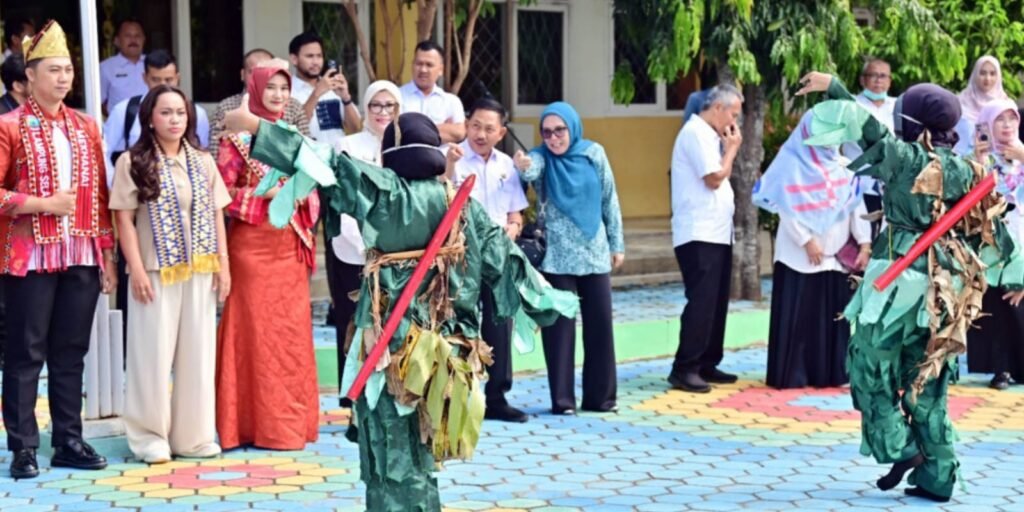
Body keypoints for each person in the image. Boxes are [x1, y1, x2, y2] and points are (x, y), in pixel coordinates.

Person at [220, 96, 579, 510]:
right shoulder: (461, 205)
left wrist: (252, 124)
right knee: (421, 448)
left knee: (390, 447)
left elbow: (318, 161)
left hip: (391, 347)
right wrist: (554, 302)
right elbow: (509, 264)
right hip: (444, 351)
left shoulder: (386, 193)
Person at [796, 71, 1024, 503]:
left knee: (870, 369)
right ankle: (938, 476)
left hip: (897, 286)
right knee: (927, 381)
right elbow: (994, 234)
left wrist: (834, 86)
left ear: (913, 127)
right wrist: (1016, 275)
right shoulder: (970, 171)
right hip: (946, 293)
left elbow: (862, 126)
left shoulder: (904, 160)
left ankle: (902, 447)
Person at [0, 20, 116, 479]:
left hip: (82, 252)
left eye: (68, 69)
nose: (64, 78)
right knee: (26, 353)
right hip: (29, 255)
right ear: (30, 75)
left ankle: (68, 438)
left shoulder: (87, 126)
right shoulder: (8, 126)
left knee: (71, 351)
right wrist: (42, 204)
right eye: (54, 69)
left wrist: (106, 255)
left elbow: (102, 197)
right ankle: (23, 446)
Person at [110, 84, 231, 463]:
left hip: (199, 269)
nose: (174, 119)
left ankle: (192, 438)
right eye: (166, 112)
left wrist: (224, 265)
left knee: (197, 354)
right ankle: (149, 438)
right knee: (151, 354)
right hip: (154, 271)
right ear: (149, 117)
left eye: (180, 112)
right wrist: (134, 269)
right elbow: (123, 219)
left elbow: (216, 214)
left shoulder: (203, 161)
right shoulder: (132, 162)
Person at [215, 67, 320, 451]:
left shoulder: (294, 137)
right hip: (252, 248)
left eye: (283, 88)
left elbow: (315, 189)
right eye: (270, 87)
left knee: (288, 335)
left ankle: (290, 425)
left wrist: (300, 195)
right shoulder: (235, 139)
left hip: (290, 245)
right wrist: (266, 198)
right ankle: (248, 425)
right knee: (254, 334)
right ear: (254, 89)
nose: (277, 95)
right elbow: (222, 193)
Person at [513, 101, 624, 415]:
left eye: (559, 130)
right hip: (558, 257)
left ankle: (602, 398)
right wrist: (523, 166)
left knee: (600, 327)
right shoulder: (541, 158)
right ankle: (562, 401)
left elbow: (609, 199)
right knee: (560, 331)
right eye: (546, 132)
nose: (553, 138)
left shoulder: (593, 154)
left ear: (572, 127)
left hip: (595, 252)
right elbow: (529, 170)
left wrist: (617, 244)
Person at [754, 103, 873, 389]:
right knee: (800, 317)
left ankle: (831, 374)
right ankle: (793, 375)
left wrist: (866, 244)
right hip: (798, 255)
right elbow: (787, 207)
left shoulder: (845, 169)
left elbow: (856, 208)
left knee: (831, 317)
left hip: (834, 258)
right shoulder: (791, 165)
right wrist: (807, 241)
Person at [446, 98, 530, 422]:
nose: (481, 133)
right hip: (461, 257)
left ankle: (496, 398)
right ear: (467, 124)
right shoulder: (452, 157)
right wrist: (450, 167)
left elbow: (516, 211)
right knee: (459, 325)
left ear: (501, 132)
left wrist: (513, 228)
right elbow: (442, 196)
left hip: (497, 256)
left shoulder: (506, 164)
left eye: (489, 128)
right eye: (476, 125)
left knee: (499, 326)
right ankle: (455, 396)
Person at [667, 85, 743, 393]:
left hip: (717, 232)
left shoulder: (711, 136)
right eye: (734, 114)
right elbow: (713, 178)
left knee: (716, 301)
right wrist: (733, 150)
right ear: (718, 108)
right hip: (698, 232)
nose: (735, 122)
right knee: (701, 301)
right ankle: (685, 367)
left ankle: (707, 361)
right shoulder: (695, 133)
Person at [330, 79, 401, 406]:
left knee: (387, 319)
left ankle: (384, 389)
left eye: (390, 106)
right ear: (366, 107)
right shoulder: (348, 146)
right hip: (352, 249)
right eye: (376, 105)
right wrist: (364, 246)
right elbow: (344, 202)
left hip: (394, 251)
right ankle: (350, 391)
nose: (383, 112)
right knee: (351, 319)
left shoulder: (404, 145)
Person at [967, 99, 1024, 390]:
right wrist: (977, 164)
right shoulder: (981, 159)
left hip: (1022, 240)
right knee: (998, 306)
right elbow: (969, 200)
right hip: (992, 244)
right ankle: (1000, 369)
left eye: (1011, 119)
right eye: (999, 120)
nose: (1006, 125)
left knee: (1019, 304)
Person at [104, 49, 211, 182]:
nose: (162, 85)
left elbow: (203, 154)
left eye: (168, 80)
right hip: (138, 190)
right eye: (156, 80)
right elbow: (103, 151)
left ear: (177, 78)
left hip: (185, 191)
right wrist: (112, 184)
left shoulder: (196, 113)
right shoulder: (124, 110)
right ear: (145, 78)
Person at [209, 49, 309, 161]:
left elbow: (309, 154)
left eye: (268, 71)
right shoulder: (227, 108)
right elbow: (214, 156)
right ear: (242, 74)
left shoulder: (293, 107)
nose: (260, 76)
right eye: (254, 72)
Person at [842, 58, 896, 230]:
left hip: (890, 185)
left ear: (890, 81)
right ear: (862, 79)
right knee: (861, 237)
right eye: (873, 75)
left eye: (883, 76)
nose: (878, 80)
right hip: (858, 184)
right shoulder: (850, 105)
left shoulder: (898, 106)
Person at [288, 31, 360, 150]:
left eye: (319, 56)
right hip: (308, 160)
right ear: (294, 59)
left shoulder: (334, 87)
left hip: (339, 160)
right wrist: (317, 93)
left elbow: (356, 129)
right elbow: (293, 129)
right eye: (310, 56)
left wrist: (346, 98)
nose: (316, 62)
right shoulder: (287, 90)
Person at [400, 41, 466, 143]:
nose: (423, 70)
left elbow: (459, 133)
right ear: (412, 65)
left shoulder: (451, 101)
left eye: (429, 65)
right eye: (419, 64)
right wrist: (443, 129)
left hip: (442, 159)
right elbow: (395, 134)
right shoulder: (397, 96)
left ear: (441, 69)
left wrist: (413, 131)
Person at [954, 55, 1010, 156]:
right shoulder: (960, 102)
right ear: (975, 74)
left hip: (999, 165)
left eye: (992, 74)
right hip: (962, 162)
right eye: (982, 73)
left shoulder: (1006, 105)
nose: (987, 78)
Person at [100, 19, 148, 115]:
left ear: (144, 39)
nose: (133, 40)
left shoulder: (152, 64)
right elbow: (98, 102)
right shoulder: (106, 67)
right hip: (119, 127)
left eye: (137, 36)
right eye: (128, 36)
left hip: (150, 126)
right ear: (117, 41)